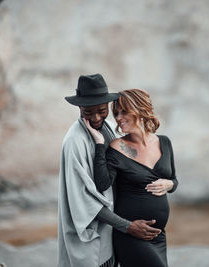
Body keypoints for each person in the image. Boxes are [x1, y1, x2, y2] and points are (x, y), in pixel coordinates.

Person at [57, 74, 161, 267]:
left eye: (102, 111)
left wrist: (169, 182)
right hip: (91, 240)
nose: (96, 117)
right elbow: (85, 202)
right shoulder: (74, 142)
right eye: (88, 112)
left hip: (113, 235)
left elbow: (133, 163)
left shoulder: (111, 128)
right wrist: (128, 227)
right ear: (79, 108)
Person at [84, 88, 179, 267]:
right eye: (116, 113)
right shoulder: (118, 147)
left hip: (158, 236)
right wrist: (99, 145)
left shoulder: (164, 142)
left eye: (123, 112)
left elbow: (174, 180)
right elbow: (102, 183)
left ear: (140, 109)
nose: (118, 118)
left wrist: (169, 184)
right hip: (131, 235)